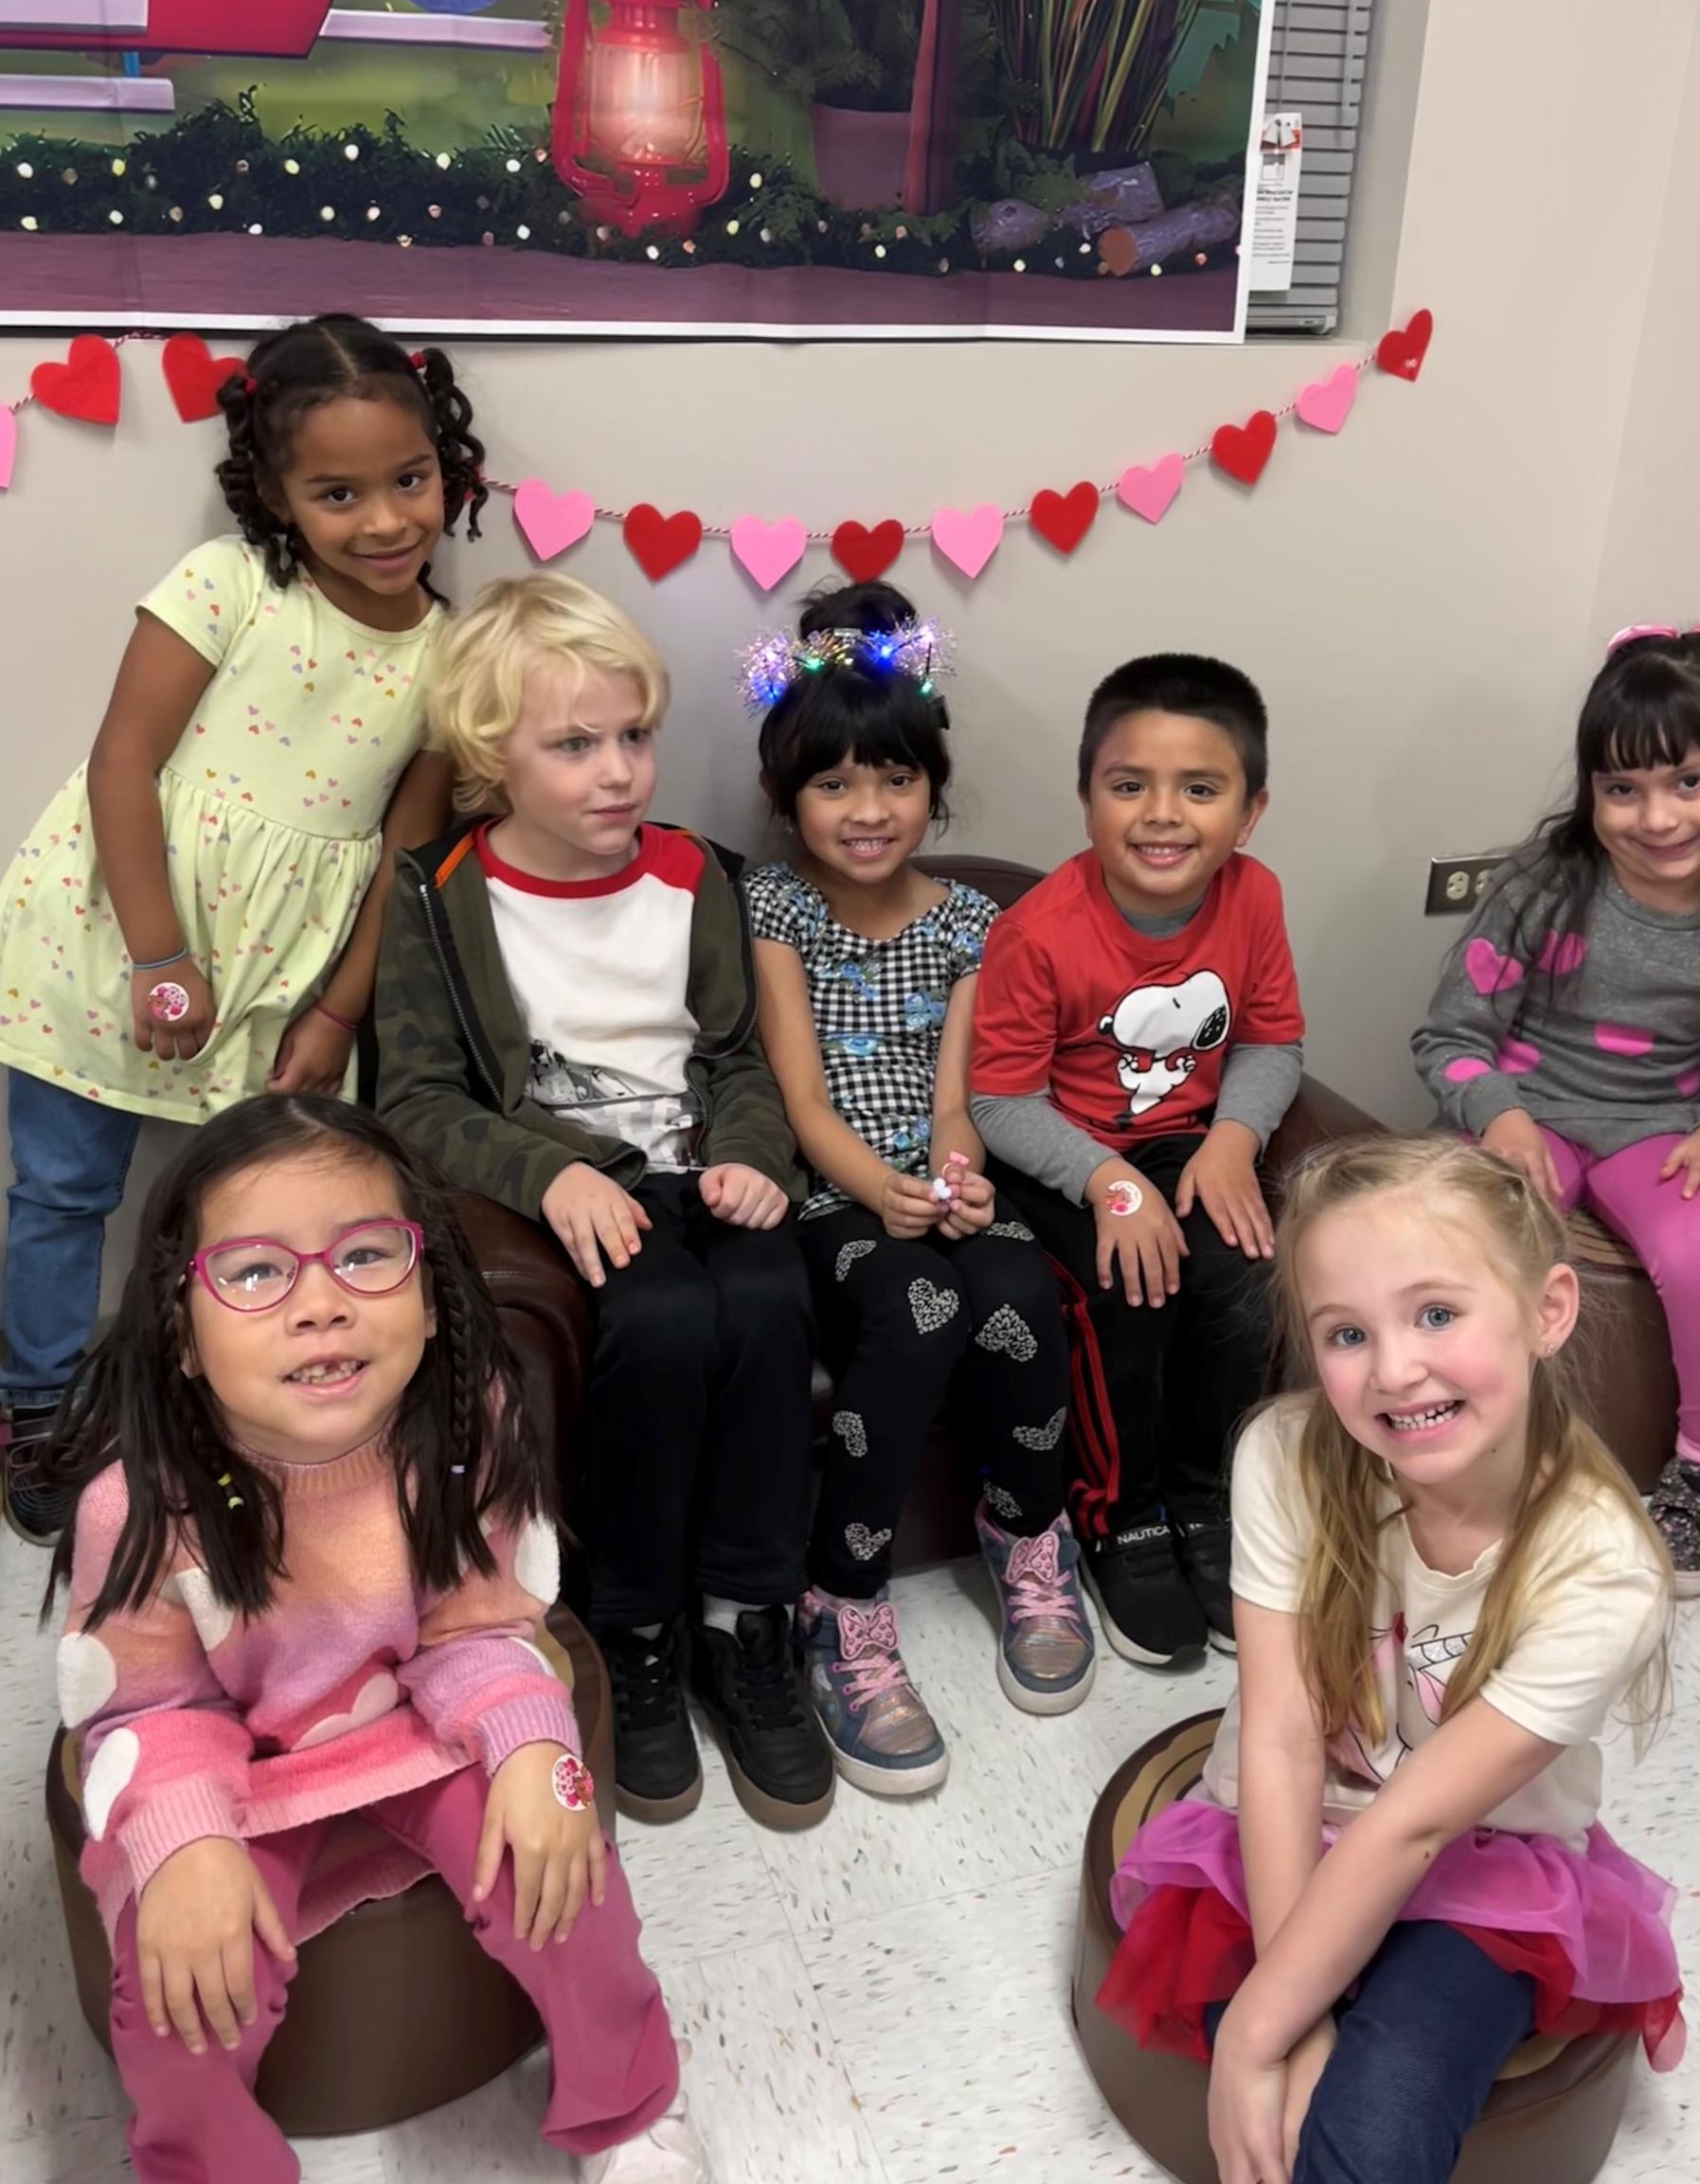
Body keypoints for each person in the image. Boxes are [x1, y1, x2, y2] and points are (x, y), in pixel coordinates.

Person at [45, 1095, 707, 2184]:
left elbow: (484, 1620)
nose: (320, 1301)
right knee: (177, 1970)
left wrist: (531, 1744)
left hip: (416, 1724)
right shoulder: (139, 1500)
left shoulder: (460, 1427)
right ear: (182, 1329)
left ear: (430, 1293)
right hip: (231, 1769)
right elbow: (144, 1704)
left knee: (570, 1856)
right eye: (256, 1271)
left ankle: (625, 2099)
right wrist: (185, 1840)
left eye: (365, 1254)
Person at [1098, 1135, 1682, 2184]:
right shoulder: (1282, 1452)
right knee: (1299, 2108)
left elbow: (1414, 1826)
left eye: (1437, 1314)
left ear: (1548, 1310)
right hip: (1282, 1837)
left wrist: (1257, 2036)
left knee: (1381, 2105)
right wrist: (1293, 2023)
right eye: (1347, 1334)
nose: (1395, 1371)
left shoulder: (1604, 1567)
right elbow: (1279, 1741)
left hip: (1477, 1860)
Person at [0, 312, 482, 1544]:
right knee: (63, 1189)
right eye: (338, 493)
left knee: (264, 1207)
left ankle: (225, 1403)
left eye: (410, 480)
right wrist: (159, 955)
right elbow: (123, 762)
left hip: (287, 972)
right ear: (275, 493)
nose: (385, 520)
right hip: (112, 933)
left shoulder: (447, 657)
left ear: (445, 466)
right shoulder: (226, 584)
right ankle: (39, 1403)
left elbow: (406, 857)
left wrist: (338, 1012)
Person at [376, 574, 832, 1831]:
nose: (619, 772)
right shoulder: (436, 893)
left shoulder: (698, 875)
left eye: (634, 735)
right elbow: (416, 1099)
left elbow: (736, 1057)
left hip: (705, 1171)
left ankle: (746, 1620)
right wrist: (551, 1173)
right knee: (664, 1321)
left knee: (769, 1296)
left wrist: (755, 1154)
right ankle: (633, 1628)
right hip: (583, 1188)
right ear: (492, 760)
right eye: (574, 746)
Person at [742, 583, 1095, 1798]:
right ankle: (842, 1597)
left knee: (1018, 1290)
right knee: (921, 1306)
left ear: (932, 785)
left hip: (930, 1178)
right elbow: (801, 1102)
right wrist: (883, 1191)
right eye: (835, 783)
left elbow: (959, 1097)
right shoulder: (775, 905)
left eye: (894, 779)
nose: (868, 809)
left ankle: (1027, 1534)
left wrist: (957, 1177)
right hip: (834, 1195)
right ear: (787, 795)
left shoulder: (971, 920)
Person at [1412, 622, 1700, 1595]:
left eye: (1689, 781)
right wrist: (1499, 1116)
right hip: (1526, 1111)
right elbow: (1450, 1036)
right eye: (1622, 789)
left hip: (1658, 1130)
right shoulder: (1542, 888)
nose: (1657, 818)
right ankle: (1457, 1437)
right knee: (1468, 1239)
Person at [970, 654, 1305, 1666]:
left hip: (1188, 1144)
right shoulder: (1036, 932)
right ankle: (1123, 1515)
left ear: (1249, 813)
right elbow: (999, 1100)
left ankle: (1207, 1499)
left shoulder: (1254, 895)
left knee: (1243, 1272)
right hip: (1066, 1154)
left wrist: (1235, 1140)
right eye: (1129, 786)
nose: (1162, 815)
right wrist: (1108, 1183)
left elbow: (1271, 1041)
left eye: (1199, 789)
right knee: (1133, 1284)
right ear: (1087, 799)